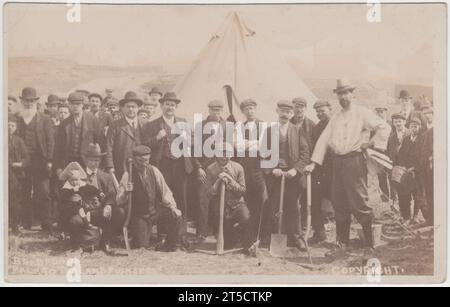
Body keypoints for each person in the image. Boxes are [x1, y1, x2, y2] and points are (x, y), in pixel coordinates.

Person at [305, 79, 391, 256]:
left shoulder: (362, 113)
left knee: (359, 201)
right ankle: (342, 244)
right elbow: (323, 140)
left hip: (354, 161)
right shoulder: (335, 117)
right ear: (337, 96)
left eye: (346, 93)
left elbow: (384, 127)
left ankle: (369, 244)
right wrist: (314, 163)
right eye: (340, 94)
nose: (343, 97)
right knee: (339, 202)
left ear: (353, 94)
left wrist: (370, 143)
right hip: (338, 163)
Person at [142, 92, 194, 241]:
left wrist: (188, 139)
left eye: (173, 105)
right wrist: (157, 138)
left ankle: (181, 234)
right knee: (163, 198)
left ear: (176, 107)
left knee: (181, 198)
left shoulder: (183, 122)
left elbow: (192, 142)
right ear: (161, 106)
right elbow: (144, 145)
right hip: (162, 164)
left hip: (180, 165)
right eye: (167, 104)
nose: (170, 107)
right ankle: (163, 234)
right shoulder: (152, 125)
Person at [116, 145, 182, 251]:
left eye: (146, 160)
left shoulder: (154, 171)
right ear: (134, 160)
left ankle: (169, 244)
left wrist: (173, 208)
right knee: (142, 246)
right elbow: (119, 201)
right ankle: (137, 237)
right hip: (139, 215)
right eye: (140, 161)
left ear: (149, 158)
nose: (143, 164)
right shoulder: (128, 175)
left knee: (175, 216)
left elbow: (166, 192)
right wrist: (126, 193)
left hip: (154, 212)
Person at [264, 100, 310, 250]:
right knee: (274, 206)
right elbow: (263, 154)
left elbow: (305, 154)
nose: (285, 114)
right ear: (277, 111)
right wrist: (272, 169)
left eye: (288, 112)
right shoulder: (269, 131)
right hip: (275, 176)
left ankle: (297, 238)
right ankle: (273, 236)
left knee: (294, 207)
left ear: (291, 114)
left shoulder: (298, 130)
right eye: (282, 111)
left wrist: (296, 169)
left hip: (292, 176)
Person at [16, 87, 55, 231]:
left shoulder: (44, 119)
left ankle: (46, 223)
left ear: (35, 102)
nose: (29, 103)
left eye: (31, 100)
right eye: (26, 100)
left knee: (44, 191)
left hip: (40, 159)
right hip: (23, 160)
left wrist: (50, 160)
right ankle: (26, 222)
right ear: (22, 101)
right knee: (24, 191)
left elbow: (50, 141)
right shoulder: (18, 118)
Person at [192, 99, 230, 241]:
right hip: (205, 169)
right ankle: (202, 232)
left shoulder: (227, 126)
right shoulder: (200, 126)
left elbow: (230, 149)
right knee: (203, 201)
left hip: (221, 168)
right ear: (208, 110)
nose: (216, 112)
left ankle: (218, 231)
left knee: (220, 200)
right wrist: (198, 168)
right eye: (213, 110)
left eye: (219, 110)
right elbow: (193, 150)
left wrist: (227, 168)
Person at [205, 142, 252, 253]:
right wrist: (217, 181)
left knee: (246, 217)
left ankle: (248, 245)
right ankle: (233, 236)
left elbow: (242, 191)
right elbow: (208, 194)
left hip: (237, 204)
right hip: (220, 208)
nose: (224, 156)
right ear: (216, 154)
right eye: (221, 153)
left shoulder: (238, 168)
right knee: (228, 245)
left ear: (231, 155)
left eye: (227, 154)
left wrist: (230, 180)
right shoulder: (210, 169)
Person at [236, 99, 269, 245]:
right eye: (246, 109)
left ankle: (262, 233)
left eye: (252, 108)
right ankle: (249, 234)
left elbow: (263, 146)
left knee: (261, 200)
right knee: (247, 200)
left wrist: (248, 144)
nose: (250, 111)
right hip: (245, 167)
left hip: (259, 167)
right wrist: (253, 144)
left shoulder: (263, 125)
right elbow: (238, 146)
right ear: (243, 112)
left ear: (256, 109)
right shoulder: (239, 126)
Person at [54, 92, 102, 173]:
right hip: (68, 162)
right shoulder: (64, 124)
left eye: (78, 104)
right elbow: (58, 148)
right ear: (69, 105)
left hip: (87, 162)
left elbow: (100, 142)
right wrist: (58, 167)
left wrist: (98, 166)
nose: (75, 106)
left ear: (82, 105)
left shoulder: (93, 120)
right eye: (72, 104)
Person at [309, 99, 333, 244]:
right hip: (319, 169)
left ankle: (343, 236)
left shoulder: (337, 124)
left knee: (339, 201)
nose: (319, 114)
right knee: (315, 199)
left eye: (322, 111)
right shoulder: (316, 128)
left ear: (330, 108)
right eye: (317, 111)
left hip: (336, 169)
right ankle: (319, 232)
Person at [392, 117, 425, 224]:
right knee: (404, 195)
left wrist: (414, 168)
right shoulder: (406, 139)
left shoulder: (422, 140)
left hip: (418, 172)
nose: (413, 129)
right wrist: (402, 166)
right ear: (409, 127)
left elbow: (423, 156)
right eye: (411, 127)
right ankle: (406, 217)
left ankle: (415, 216)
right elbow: (400, 154)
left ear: (419, 128)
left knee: (418, 195)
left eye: (416, 127)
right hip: (406, 172)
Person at [105, 91, 143, 179]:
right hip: (121, 166)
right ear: (122, 108)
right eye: (128, 107)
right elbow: (108, 147)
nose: (131, 109)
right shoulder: (115, 125)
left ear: (138, 108)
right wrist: (110, 166)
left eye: (133, 107)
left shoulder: (145, 124)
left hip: (141, 165)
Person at [8, 115, 30, 234]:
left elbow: (27, 157)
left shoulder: (18, 140)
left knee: (15, 200)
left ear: (16, 127)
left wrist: (20, 164)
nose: (9, 128)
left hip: (15, 175)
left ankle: (15, 226)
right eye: (7, 125)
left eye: (12, 126)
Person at [387, 113, 409, 206]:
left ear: (404, 122)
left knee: (409, 190)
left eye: (400, 121)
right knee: (398, 189)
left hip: (408, 166)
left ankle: (414, 214)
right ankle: (401, 211)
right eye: (395, 122)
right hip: (396, 166)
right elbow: (389, 151)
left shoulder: (409, 133)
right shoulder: (391, 137)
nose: (398, 124)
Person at [373, 104, 391, 204]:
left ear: (386, 112)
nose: (380, 114)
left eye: (382, 112)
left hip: (389, 153)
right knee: (381, 175)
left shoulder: (391, 123)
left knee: (392, 175)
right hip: (378, 153)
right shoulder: (374, 126)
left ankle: (394, 196)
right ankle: (385, 196)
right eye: (378, 112)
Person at [420, 107, 433, 225]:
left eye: (429, 113)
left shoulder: (440, 128)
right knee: (428, 192)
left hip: (435, 166)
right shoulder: (423, 130)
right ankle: (431, 218)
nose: (427, 116)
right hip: (425, 166)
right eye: (425, 114)